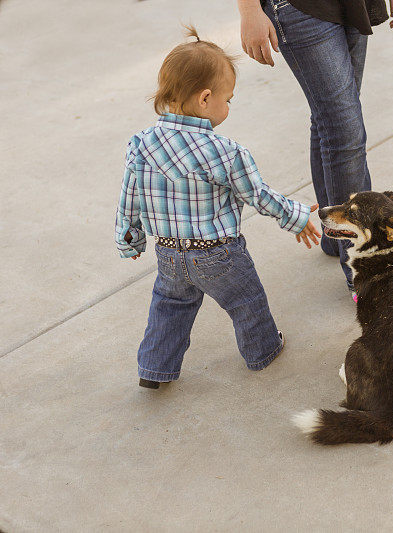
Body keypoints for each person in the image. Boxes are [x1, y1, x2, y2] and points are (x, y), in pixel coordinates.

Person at [114, 27, 321, 389]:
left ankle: (154, 368)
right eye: (229, 99)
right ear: (205, 98)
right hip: (218, 254)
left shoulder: (141, 144)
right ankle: (263, 351)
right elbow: (258, 195)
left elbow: (130, 196)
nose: (228, 106)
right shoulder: (225, 151)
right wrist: (297, 216)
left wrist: (130, 238)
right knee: (246, 301)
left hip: (168, 254)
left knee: (169, 307)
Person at [237, 0, 393, 300]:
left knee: (331, 122)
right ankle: (365, 269)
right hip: (298, 7)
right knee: (344, 131)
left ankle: (336, 234)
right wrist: (250, 11)